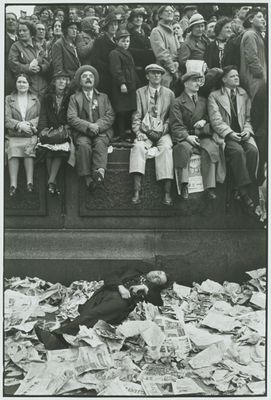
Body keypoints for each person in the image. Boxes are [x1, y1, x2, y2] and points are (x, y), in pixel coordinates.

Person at [35, 267, 169, 350]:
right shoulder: (134, 270)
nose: (156, 277)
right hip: (103, 294)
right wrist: (120, 287)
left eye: (158, 280)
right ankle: (63, 343)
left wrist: (145, 288)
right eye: (158, 273)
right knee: (87, 317)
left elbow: (158, 302)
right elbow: (110, 275)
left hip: (120, 303)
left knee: (92, 315)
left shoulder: (152, 291)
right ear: (153, 269)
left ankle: (56, 336)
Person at [208, 66, 258, 210]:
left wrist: (247, 131)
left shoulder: (243, 94)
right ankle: (244, 193)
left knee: (253, 151)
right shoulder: (214, 96)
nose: (237, 78)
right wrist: (230, 133)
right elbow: (216, 121)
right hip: (226, 135)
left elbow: (249, 117)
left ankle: (238, 187)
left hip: (242, 133)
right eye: (232, 76)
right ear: (224, 80)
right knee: (237, 152)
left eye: (237, 75)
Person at [170, 71, 221, 200]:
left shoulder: (204, 100)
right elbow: (176, 125)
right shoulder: (177, 102)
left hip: (201, 135)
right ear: (186, 83)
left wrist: (204, 120)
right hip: (185, 136)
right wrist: (187, 137)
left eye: (199, 81)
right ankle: (184, 184)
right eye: (194, 81)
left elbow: (210, 117)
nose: (198, 83)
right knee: (183, 149)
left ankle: (209, 187)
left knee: (211, 148)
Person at [129, 64, 175, 206]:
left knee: (167, 149)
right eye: (153, 73)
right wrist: (138, 132)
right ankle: (137, 190)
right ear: (147, 76)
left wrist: (163, 130)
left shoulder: (169, 93)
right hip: (145, 131)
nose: (156, 76)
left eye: (159, 74)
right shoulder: (140, 93)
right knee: (137, 147)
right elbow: (136, 116)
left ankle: (166, 192)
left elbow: (171, 117)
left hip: (162, 132)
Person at [67, 65, 115, 191]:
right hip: (83, 133)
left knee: (100, 143)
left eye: (91, 76)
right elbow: (71, 117)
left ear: (94, 80)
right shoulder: (74, 98)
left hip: (101, 132)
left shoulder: (103, 97)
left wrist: (97, 126)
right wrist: (88, 126)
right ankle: (87, 178)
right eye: (85, 76)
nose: (88, 78)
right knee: (83, 145)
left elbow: (110, 116)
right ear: (80, 81)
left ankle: (99, 172)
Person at [37, 71, 75, 195]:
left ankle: (51, 181)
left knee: (60, 150)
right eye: (58, 79)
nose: (61, 82)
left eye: (64, 79)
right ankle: (52, 183)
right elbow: (43, 116)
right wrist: (43, 131)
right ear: (54, 82)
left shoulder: (71, 97)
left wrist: (67, 129)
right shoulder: (47, 97)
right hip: (50, 129)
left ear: (67, 82)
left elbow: (72, 116)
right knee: (47, 150)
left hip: (65, 130)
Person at [5, 74, 40, 196]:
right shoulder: (8, 99)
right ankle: (13, 185)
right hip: (15, 134)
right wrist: (19, 125)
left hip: (30, 135)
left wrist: (29, 125)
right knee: (12, 147)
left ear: (29, 85)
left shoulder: (35, 99)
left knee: (28, 149)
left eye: (24, 82)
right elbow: (5, 118)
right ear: (15, 84)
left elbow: (40, 117)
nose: (21, 84)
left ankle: (29, 183)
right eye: (19, 82)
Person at [8, 20, 50, 99]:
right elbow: (13, 64)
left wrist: (40, 68)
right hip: (26, 88)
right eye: (19, 31)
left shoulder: (38, 46)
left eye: (24, 30)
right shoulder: (16, 46)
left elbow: (47, 63)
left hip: (42, 88)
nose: (21, 33)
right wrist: (28, 68)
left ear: (31, 31)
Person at [109, 29, 138, 142]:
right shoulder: (115, 53)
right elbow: (116, 70)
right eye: (123, 41)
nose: (126, 43)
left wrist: (137, 83)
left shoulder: (128, 53)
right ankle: (121, 134)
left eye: (127, 41)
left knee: (129, 110)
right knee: (121, 111)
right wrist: (122, 83)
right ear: (117, 41)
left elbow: (132, 70)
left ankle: (128, 133)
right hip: (121, 88)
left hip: (131, 86)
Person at [239, 8, 266, 101]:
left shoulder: (256, 34)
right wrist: (261, 75)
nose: (263, 19)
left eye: (264, 17)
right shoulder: (250, 34)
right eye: (259, 17)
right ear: (251, 19)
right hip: (254, 79)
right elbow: (251, 58)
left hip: (258, 79)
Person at [150, 5, 179, 88]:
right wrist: (173, 70)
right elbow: (162, 54)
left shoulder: (172, 31)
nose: (170, 12)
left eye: (172, 11)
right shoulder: (157, 31)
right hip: (164, 71)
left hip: (176, 69)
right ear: (160, 15)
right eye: (167, 11)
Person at [91, 13, 119, 98]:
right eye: (111, 25)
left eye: (115, 24)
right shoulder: (100, 41)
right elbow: (95, 60)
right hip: (104, 78)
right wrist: (110, 67)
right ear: (107, 26)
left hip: (116, 78)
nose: (114, 27)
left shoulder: (117, 41)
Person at [127, 8, 155, 86]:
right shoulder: (129, 34)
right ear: (132, 19)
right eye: (136, 17)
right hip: (137, 70)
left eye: (140, 17)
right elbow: (129, 51)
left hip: (148, 69)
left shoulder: (146, 33)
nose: (138, 19)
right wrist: (148, 52)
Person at [5, 12, 18, 95]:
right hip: (7, 79)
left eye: (13, 19)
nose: (10, 21)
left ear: (17, 23)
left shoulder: (21, 39)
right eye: (7, 19)